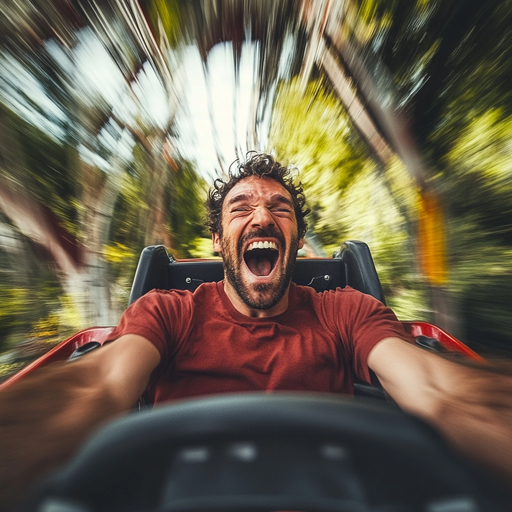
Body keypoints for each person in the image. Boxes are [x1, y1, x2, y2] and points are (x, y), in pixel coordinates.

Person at [0, 153, 511, 510]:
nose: (262, 216)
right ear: (220, 238)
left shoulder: (346, 311)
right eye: (241, 209)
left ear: (297, 237)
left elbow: (437, 390)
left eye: (279, 209)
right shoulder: (168, 312)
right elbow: (97, 385)